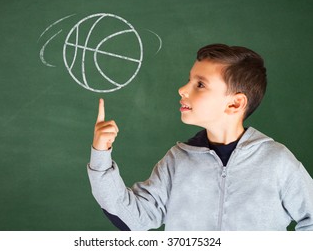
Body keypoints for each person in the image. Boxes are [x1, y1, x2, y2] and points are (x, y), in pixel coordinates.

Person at [87, 44, 313, 230]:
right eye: (190, 80)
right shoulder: (177, 160)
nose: (182, 89)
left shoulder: (276, 161)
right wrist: (101, 155)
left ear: (235, 103)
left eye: (200, 84)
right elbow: (132, 218)